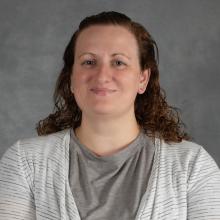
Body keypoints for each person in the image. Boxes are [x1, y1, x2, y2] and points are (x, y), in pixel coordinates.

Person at [0, 11, 220, 220]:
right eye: (89, 62)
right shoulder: (25, 162)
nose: (102, 75)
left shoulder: (192, 166)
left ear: (142, 79)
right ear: (71, 78)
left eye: (118, 62)